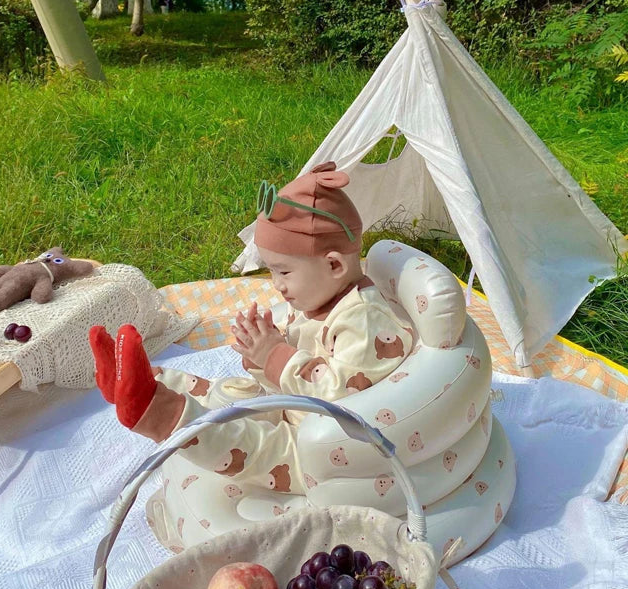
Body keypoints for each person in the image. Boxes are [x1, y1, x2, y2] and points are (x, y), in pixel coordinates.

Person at [89, 162, 412, 496]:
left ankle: (159, 412)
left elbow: (342, 397)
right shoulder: (319, 298)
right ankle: (144, 380)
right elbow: (302, 366)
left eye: (284, 273)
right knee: (231, 393)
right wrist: (261, 354)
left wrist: (276, 354)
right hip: (296, 408)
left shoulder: (364, 319)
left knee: (253, 448)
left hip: (325, 447)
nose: (277, 286)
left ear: (334, 264)